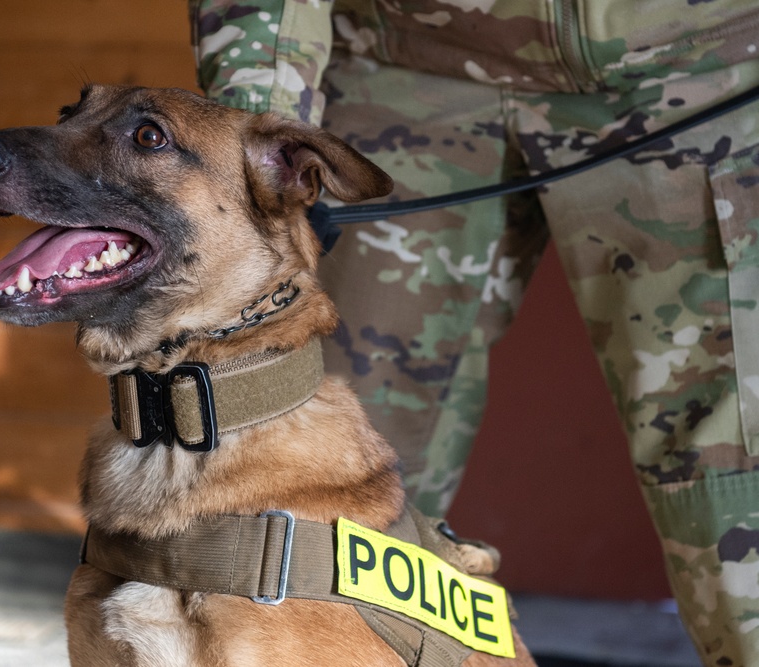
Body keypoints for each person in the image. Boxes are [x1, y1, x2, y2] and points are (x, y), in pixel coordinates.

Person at [188, 1, 759, 663]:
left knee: (740, 484)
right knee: (301, 485)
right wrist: (249, 135)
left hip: (704, 73)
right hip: (402, 69)